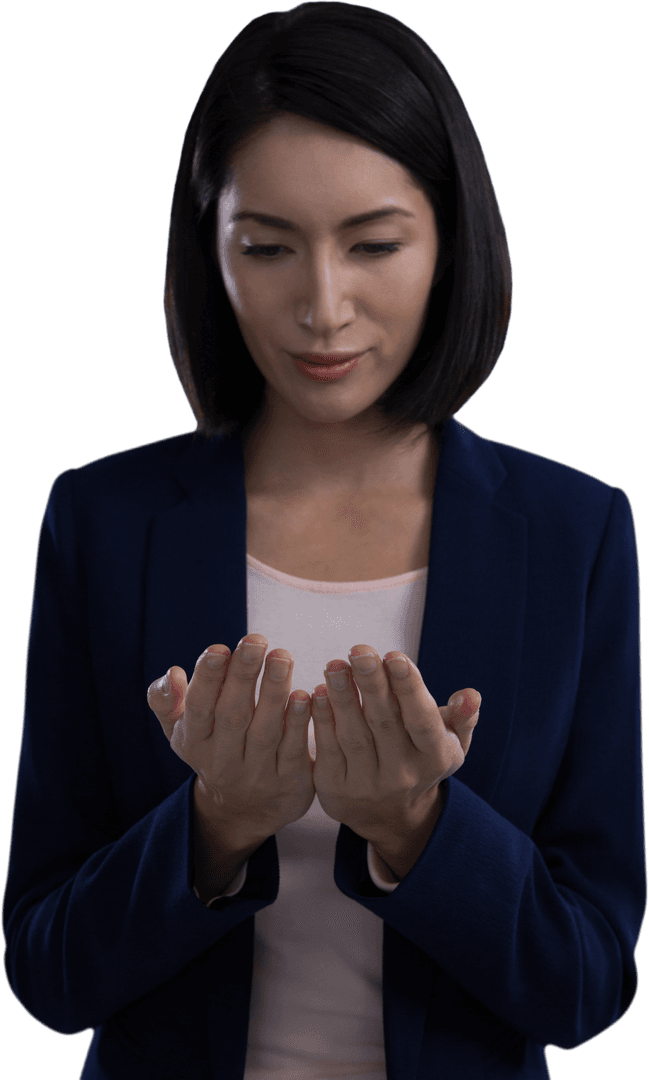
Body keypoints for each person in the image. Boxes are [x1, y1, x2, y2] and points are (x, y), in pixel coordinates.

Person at [2, 2, 645, 1078]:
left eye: (375, 244)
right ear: (209, 248)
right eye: (267, 248)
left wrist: (416, 827)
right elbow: (46, 972)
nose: (323, 307)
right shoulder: (102, 522)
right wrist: (214, 826)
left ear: (450, 241)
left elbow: (584, 985)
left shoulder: (575, 534)